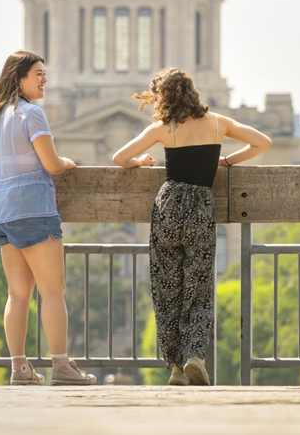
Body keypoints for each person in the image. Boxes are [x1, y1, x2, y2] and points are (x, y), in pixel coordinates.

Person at [112, 68, 272, 386]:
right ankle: (194, 357)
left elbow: (119, 157)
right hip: (201, 206)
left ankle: (174, 368)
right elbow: (262, 143)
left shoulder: (163, 128)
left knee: (166, 289)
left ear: (165, 96)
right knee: (198, 289)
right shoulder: (217, 123)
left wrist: (140, 162)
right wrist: (227, 161)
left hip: (169, 206)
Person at [0, 50, 96, 386]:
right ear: (19, 78)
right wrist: (69, 162)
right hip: (33, 210)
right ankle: (61, 367)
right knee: (52, 292)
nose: (44, 80)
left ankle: (20, 370)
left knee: (17, 295)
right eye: (38, 74)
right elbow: (52, 165)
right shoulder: (31, 115)